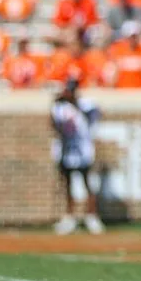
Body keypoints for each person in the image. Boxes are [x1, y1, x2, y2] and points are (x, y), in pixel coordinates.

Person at [50, 79, 104, 235]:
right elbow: (54, 126)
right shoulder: (60, 107)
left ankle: (92, 216)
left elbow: (96, 114)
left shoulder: (85, 104)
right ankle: (70, 217)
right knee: (67, 184)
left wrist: (74, 103)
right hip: (67, 150)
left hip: (83, 150)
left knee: (88, 182)